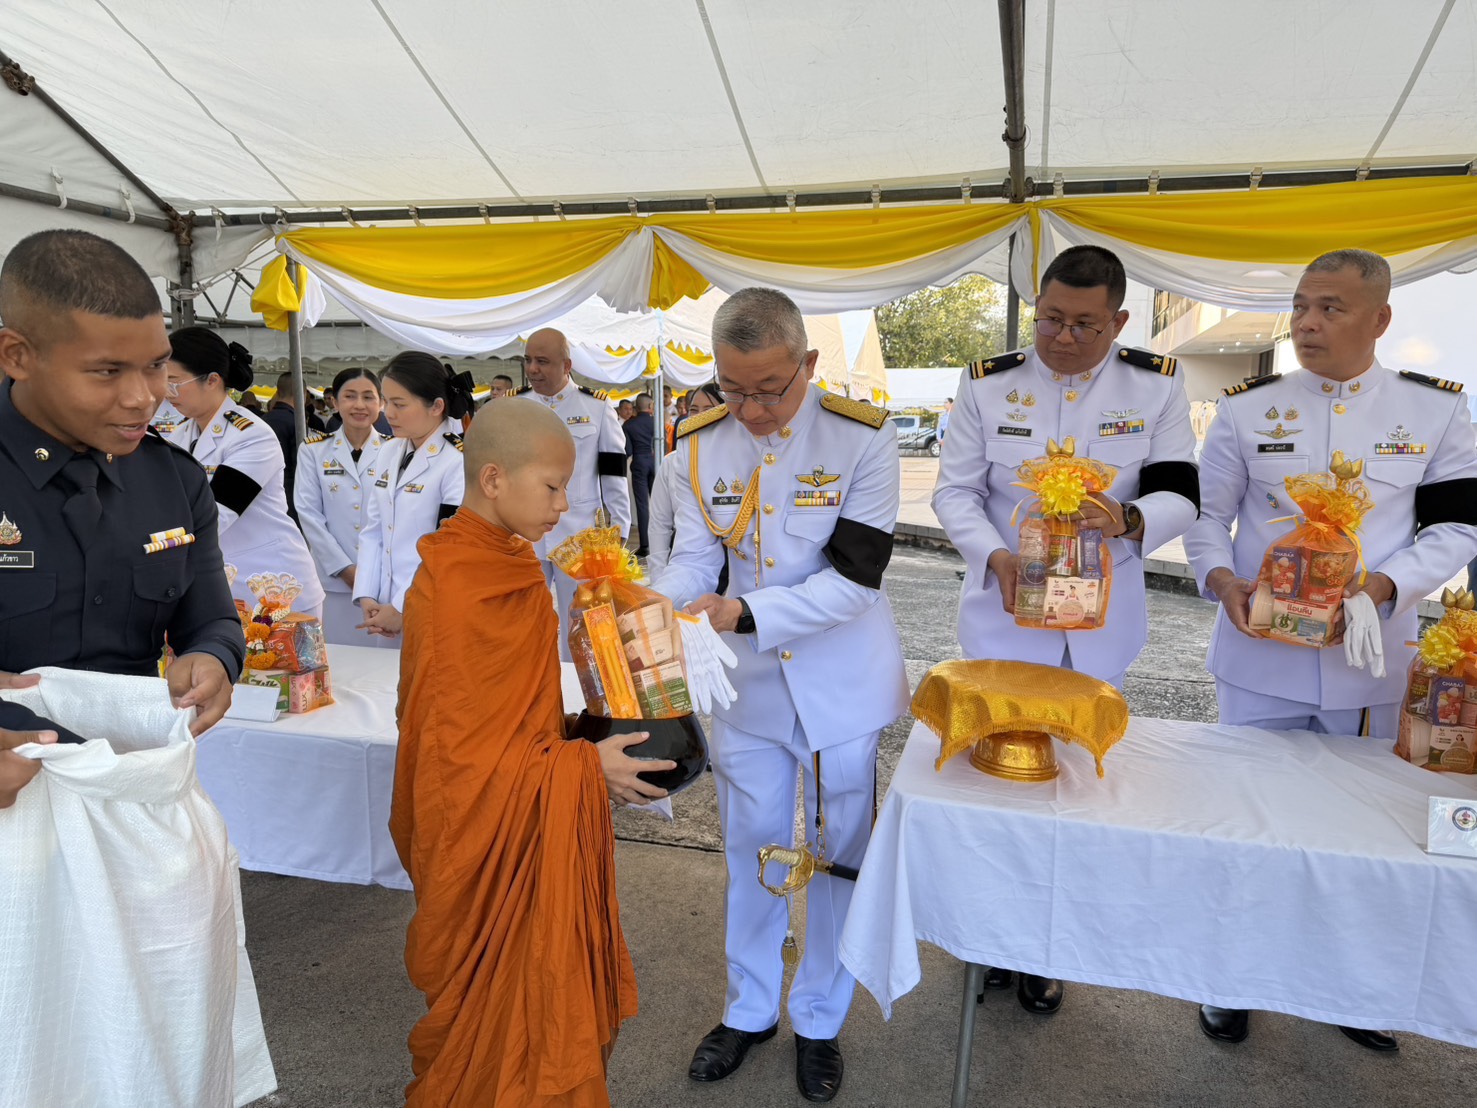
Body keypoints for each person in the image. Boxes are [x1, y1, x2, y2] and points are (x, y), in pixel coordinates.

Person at [1184, 248, 1477, 1052]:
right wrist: (1219, 578)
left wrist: (1383, 587)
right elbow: (1207, 517)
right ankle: (1229, 980)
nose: (1306, 323)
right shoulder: (1249, 410)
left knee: (1363, 837)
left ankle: (1349, 987)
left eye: (1329, 309)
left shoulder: (1434, 411)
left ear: (1379, 320)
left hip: (1369, 659)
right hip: (1258, 657)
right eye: (1300, 306)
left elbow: (1457, 526)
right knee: (1247, 824)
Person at [651, 289, 909, 1103]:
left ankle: (820, 1020)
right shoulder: (696, 446)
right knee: (750, 846)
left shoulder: (862, 438)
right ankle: (749, 1008)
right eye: (733, 389)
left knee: (835, 857)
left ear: (807, 363)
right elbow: (694, 559)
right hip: (747, 690)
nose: (753, 410)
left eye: (770, 388)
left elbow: (857, 579)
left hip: (841, 685)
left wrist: (743, 612)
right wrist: (657, 604)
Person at [931, 244, 1200, 1015]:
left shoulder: (1155, 385)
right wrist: (992, 555)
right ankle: (985, 938)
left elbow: (1180, 490)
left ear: (1118, 321)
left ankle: (1047, 949)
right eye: (1050, 319)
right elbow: (954, 492)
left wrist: (1129, 518)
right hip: (1005, 620)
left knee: (1077, 791)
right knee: (995, 785)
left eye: (1085, 325)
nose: (1063, 338)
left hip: (1099, 627)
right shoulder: (989, 383)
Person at [391, 398, 667, 1107]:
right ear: (492, 479)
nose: (563, 505)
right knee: (492, 1016)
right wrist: (584, 767)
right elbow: (455, 756)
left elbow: (515, 710)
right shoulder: (455, 585)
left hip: (522, 808)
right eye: (551, 486)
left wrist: (582, 728)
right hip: (477, 830)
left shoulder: (513, 562)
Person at [0, 229, 242, 802]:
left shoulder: (173, 479)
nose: (143, 397)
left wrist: (214, 658)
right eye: (107, 371)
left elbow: (211, 617)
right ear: (18, 356)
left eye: (156, 365)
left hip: (133, 794)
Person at [165, 328, 325, 621]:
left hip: (272, 588)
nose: (167, 393)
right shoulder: (179, 435)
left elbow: (214, 515)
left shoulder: (252, 436)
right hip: (217, 585)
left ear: (212, 380)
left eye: (174, 382)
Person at [510, 328, 631, 660]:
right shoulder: (515, 406)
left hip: (580, 538)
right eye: (528, 360)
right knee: (524, 622)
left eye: (542, 361)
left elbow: (613, 474)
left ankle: (576, 687)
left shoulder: (596, 407)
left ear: (567, 365)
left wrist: (619, 532)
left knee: (580, 626)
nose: (532, 369)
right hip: (526, 536)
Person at [354, 352, 472, 641]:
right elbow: (374, 530)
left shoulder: (457, 461)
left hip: (432, 605)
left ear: (437, 406)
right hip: (384, 604)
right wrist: (367, 594)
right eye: (386, 402)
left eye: (400, 404)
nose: (388, 413)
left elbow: (447, 546)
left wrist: (401, 606)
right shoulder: (389, 451)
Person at [295, 368, 392, 644]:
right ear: (334, 402)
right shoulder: (313, 450)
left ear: (381, 403)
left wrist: (370, 574)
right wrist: (345, 569)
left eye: (368, 397)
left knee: (384, 660)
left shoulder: (396, 450)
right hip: (333, 582)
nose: (359, 405)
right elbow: (309, 515)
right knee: (337, 657)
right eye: (350, 396)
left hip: (383, 581)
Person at [647, 383, 723, 577]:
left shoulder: (742, 460)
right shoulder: (672, 463)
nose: (699, 416)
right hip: (686, 563)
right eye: (694, 410)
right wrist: (658, 574)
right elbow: (659, 523)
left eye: (709, 409)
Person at [263, 369, 326, 521]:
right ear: (303, 394)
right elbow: (300, 466)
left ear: (278, 391)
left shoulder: (261, 420)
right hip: (290, 495)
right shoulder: (297, 424)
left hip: (263, 493)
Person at [624, 393, 657, 556]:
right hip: (656, 461)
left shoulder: (629, 425)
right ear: (651, 406)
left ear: (636, 407)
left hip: (639, 462)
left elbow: (628, 450)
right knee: (659, 503)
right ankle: (663, 542)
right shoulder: (657, 422)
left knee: (642, 505)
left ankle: (645, 545)